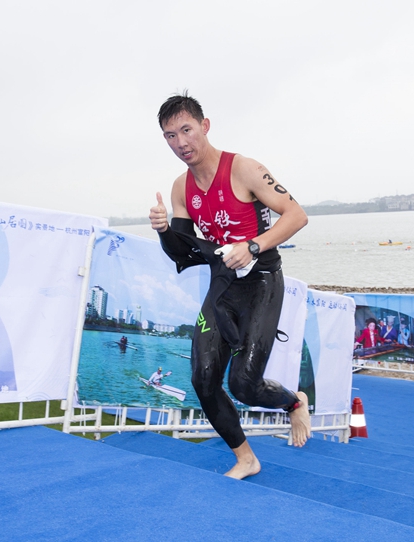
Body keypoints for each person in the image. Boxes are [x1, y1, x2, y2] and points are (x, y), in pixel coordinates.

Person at [149, 93, 310, 480]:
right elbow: (182, 254)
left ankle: (293, 402)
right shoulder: (180, 188)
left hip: (263, 282)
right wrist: (164, 229)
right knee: (202, 379)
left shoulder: (245, 169)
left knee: (243, 384)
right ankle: (246, 458)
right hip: (223, 286)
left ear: (205, 126)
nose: (180, 143)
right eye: (170, 136)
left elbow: (297, 215)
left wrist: (253, 245)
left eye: (186, 130)